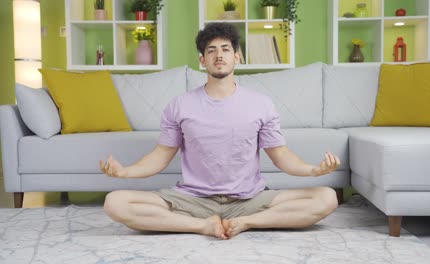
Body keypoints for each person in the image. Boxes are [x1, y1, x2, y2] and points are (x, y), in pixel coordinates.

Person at [100, 23, 340, 240]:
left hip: (250, 200)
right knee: (115, 202)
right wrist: (125, 172)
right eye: (211, 50)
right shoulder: (179, 105)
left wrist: (314, 170)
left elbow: (282, 156)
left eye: (225, 49)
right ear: (202, 60)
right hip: (193, 199)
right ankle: (202, 226)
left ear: (237, 56)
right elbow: (160, 156)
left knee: (327, 197)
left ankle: (246, 223)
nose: (219, 55)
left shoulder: (261, 104)